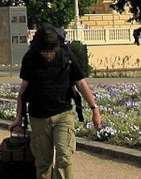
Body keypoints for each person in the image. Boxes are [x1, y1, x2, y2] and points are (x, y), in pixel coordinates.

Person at [11, 25, 103, 179]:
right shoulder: (30, 58)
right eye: (45, 51)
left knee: (65, 157)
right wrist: (18, 117)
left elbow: (81, 83)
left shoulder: (66, 55)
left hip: (63, 115)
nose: (48, 54)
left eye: (51, 51)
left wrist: (95, 109)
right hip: (38, 117)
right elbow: (23, 91)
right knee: (43, 164)